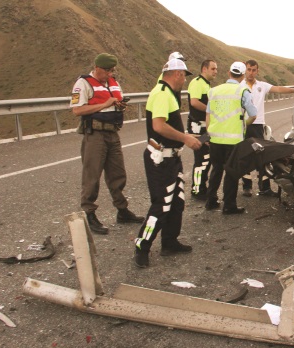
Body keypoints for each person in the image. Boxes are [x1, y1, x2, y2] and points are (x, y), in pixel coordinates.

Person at [133, 58, 202, 268]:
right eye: (184, 76)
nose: (184, 81)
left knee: (177, 202)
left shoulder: (165, 92)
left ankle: (169, 242)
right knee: (161, 205)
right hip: (160, 160)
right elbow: (159, 126)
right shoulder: (162, 94)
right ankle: (141, 246)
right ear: (177, 74)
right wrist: (186, 138)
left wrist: (184, 137)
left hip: (172, 158)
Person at [70, 53, 144, 235]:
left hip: (113, 133)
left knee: (118, 174)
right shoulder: (83, 83)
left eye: (113, 70)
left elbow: (115, 101)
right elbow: (77, 110)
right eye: (108, 71)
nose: (111, 74)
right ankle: (90, 213)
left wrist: (120, 105)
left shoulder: (113, 83)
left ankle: (122, 210)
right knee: (92, 176)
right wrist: (105, 104)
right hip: (95, 134)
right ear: (98, 68)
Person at [240, 59, 294, 197]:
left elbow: (278, 89)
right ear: (245, 70)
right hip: (243, 125)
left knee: (262, 156)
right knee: (244, 156)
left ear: (257, 71)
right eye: (248, 69)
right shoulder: (239, 86)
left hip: (258, 125)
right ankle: (246, 187)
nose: (251, 72)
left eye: (253, 70)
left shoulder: (261, 86)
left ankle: (264, 188)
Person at [204, 62, 257, 214]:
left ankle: (211, 201)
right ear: (242, 76)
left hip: (215, 139)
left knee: (216, 170)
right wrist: (244, 125)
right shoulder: (243, 91)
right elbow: (253, 114)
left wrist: (209, 132)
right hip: (234, 140)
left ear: (229, 73)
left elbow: (208, 114)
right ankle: (229, 205)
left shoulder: (213, 91)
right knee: (231, 173)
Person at [187, 59, 218, 200]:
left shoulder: (206, 84)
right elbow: (194, 102)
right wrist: (211, 110)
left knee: (207, 158)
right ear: (204, 69)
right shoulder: (197, 82)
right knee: (201, 158)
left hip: (205, 126)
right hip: (197, 127)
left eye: (216, 69)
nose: (215, 71)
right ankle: (197, 190)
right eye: (213, 69)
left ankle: (201, 187)